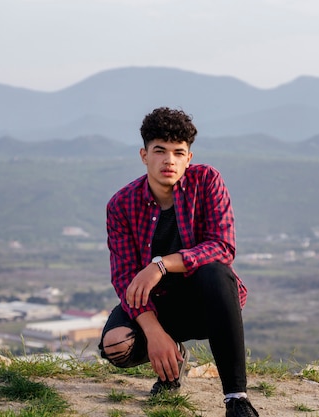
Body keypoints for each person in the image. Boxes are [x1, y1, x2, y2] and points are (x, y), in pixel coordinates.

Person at [98, 107, 259, 417]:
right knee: (116, 345)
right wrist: (155, 333)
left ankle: (236, 398)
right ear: (144, 155)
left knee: (217, 272)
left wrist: (161, 264)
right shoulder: (121, 204)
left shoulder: (207, 181)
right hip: (157, 304)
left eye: (177, 152)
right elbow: (124, 278)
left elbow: (222, 247)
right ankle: (175, 363)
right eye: (160, 151)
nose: (168, 160)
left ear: (189, 157)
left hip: (206, 301)